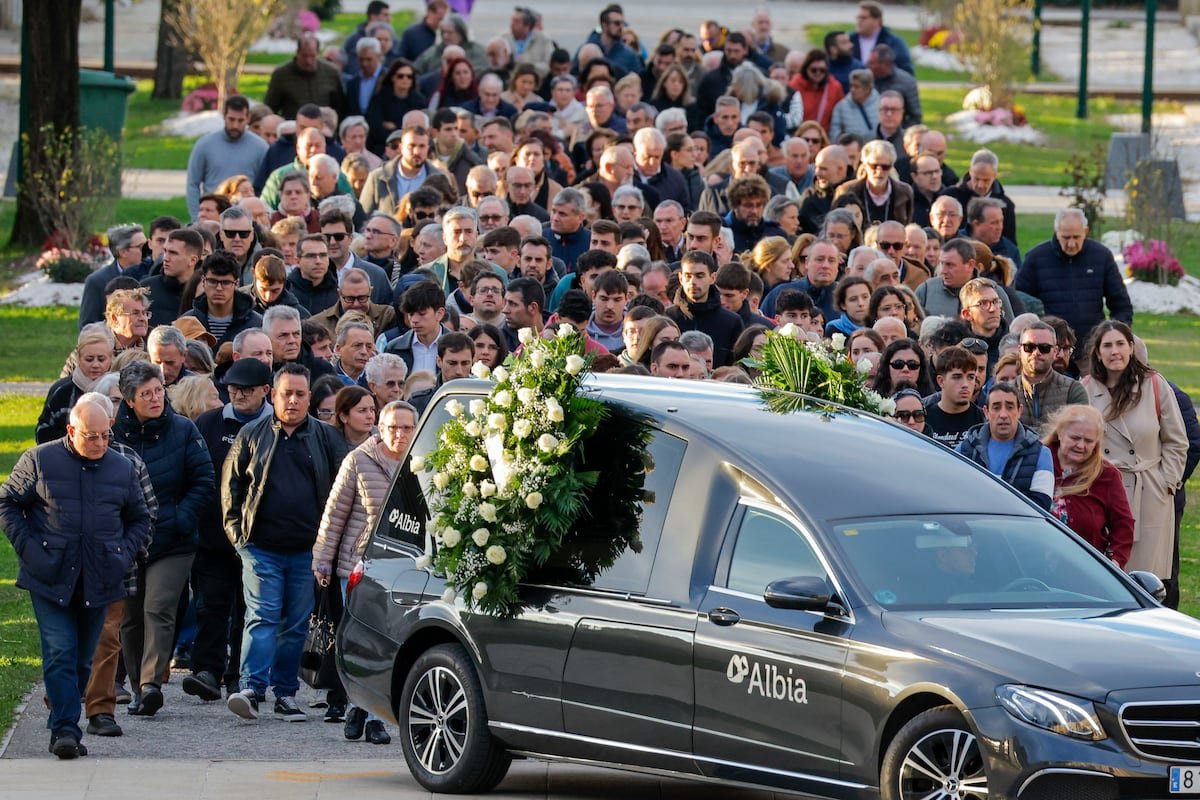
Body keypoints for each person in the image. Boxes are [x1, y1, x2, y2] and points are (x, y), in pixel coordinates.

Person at [0, 395, 151, 759]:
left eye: (105, 435)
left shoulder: (121, 467)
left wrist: (122, 554)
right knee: (60, 652)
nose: (99, 443)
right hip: (50, 576)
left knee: (84, 659)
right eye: (90, 436)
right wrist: (32, 551)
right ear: (71, 430)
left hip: (100, 577)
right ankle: (65, 729)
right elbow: (7, 503)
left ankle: (64, 716)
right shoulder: (40, 460)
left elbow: (140, 518)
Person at [223, 363, 348, 721]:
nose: (292, 400)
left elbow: (341, 491)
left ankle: (285, 693)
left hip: (307, 550)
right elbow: (231, 488)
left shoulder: (326, 437)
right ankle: (251, 688)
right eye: (286, 393)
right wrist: (238, 537)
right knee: (262, 616)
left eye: (299, 394)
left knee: (296, 624)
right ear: (273, 395)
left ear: (309, 397)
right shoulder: (251, 434)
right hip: (260, 547)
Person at [312, 399, 417, 744]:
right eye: (393, 427)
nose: (400, 434)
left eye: (407, 427)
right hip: (358, 564)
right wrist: (323, 560)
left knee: (388, 642)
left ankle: (369, 713)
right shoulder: (358, 460)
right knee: (363, 640)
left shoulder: (423, 462)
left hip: (404, 567)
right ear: (380, 429)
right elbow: (335, 515)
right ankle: (364, 709)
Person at [1083, 320, 1187, 586]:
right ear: (1098, 352)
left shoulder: (1155, 385)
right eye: (1107, 345)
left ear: (1131, 348)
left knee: (1147, 581)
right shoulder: (1085, 389)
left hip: (1149, 494)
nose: (1114, 351)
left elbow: (1176, 441)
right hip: (1102, 492)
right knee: (1105, 578)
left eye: (1120, 344)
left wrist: (1166, 482)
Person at [1015, 209, 1133, 374]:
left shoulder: (1101, 256)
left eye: (1076, 237)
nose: (1071, 243)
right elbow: (1019, 301)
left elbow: (1121, 304)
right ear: (1057, 233)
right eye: (1066, 237)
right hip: (1049, 352)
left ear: (1086, 231)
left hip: (1090, 352)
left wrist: (1113, 337)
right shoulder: (1036, 258)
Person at [1043, 404, 1136, 568]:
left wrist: (1114, 563)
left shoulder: (1106, 474)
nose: (1081, 445)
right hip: (1034, 562)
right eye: (1075, 438)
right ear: (1060, 433)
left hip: (1084, 568)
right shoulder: (1036, 460)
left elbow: (1123, 524)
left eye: (1088, 441)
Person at [957, 382, 1054, 510]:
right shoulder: (964, 450)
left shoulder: (1041, 454)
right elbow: (953, 495)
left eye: (1010, 407)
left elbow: (1041, 506)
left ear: (1019, 411)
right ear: (986, 412)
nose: (1003, 415)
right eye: (996, 407)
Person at [186, 96, 268, 221]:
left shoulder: (260, 147)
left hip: (247, 216)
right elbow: (193, 184)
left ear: (248, 118)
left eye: (240, 120)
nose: (235, 125)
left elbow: (266, 185)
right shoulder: (205, 145)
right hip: (213, 214)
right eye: (231, 119)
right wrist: (196, 217)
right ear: (224, 116)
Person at [37, 324, 114, 444]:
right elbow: (43, 432)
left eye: (101, 359)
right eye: (89, 359)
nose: (95, 365)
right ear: (78, 359)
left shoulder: (118, 390)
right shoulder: (61, 390)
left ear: (111, 359)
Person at [666, 251, 743, 368]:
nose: (693, 282)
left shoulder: (731, 322)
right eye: (688, 276)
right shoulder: (668, 318)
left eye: (699, 276)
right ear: (680, 278)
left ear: (712, 278)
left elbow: (737, 366)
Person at [1015, 320, 1088, 434]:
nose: (1036, 353)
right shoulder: (1004, 391)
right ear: (1019, 350)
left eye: (1044, 348)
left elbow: (1079, 434)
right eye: (1029, 347)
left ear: (1055, 352)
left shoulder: (1073, 390)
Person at [79, 224, 150, 329]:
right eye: (141, 247)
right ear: (123, 252)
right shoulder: (97, 281)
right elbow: (88, 326)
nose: (148, 251)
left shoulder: (152, 274)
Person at [263, 33, 345, 120]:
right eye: (304, 56)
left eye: (312, 56)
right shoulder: (281, 75)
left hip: (323, 125)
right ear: (297, 53)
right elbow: (270, 108)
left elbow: (340, 106)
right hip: (293, 124)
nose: (308, 61)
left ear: (318, 53)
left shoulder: (331, 73)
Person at [923, 345, 984, 449]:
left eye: (970, 377)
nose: (965, 384)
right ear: (941, 381)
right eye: (957, 377)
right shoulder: (924, 418)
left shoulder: (983, 420)